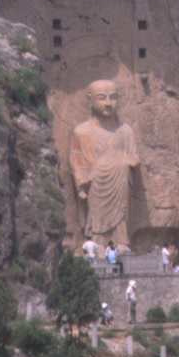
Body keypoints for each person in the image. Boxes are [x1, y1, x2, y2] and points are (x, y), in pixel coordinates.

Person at [71, 80, 139, 245]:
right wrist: (81, 184)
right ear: (91, 99)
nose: (108, 104)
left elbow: (134, 158)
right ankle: (96, 243)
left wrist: (126, 162)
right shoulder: (82, 132)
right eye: (102, 98)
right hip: (96, 186)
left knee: (121, 217)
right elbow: (76, 161)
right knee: (96, 219)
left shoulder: (126, 131)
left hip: (119, 185)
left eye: (113, 98)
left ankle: (122, 242)